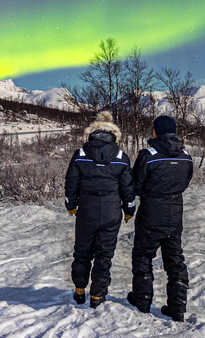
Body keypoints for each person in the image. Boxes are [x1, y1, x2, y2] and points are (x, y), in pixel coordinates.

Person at [65, 111, 136, 308]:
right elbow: (128, 188)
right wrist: (129, 208)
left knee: (82, 250)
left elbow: (71, 183)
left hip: (86, 209)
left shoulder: (80, 154)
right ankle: (97, 294)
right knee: (104, 254)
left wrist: (71, 205)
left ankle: (79, 290)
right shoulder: (121, 157)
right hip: (111, 210)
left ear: (91, 134)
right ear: (114, 136)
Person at [127, 115, 193, 321]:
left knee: (143, 255)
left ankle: (142, 299)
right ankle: (178, 306)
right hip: (175, 211)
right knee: (175, 258)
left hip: (151, 210)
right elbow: (187, 180)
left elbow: (136, 183)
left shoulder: (148, 154)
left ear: (155, 131)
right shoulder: (186, 154)